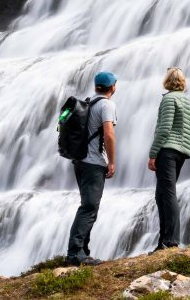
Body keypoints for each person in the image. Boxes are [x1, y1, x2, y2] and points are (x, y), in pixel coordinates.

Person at [66, 70, 118, 266]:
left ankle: (83, 251)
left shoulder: (88, 102)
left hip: (79, 162)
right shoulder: (106, 105)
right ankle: (75, 254)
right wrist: (111, 162)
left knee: (87, 206)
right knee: (89, 208)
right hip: (93, 164)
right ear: (112, 87)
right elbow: (109, 134)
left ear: (97, 86)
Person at [148, 67, 190, 252]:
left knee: (167, 195)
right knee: (161, 195)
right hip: (181, 151)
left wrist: (153, 154)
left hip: (167, 150)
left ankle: (171, 241)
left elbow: (164, 128)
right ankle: (163, 241)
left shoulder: (169, 99)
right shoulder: (187, 101)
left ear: (167, 81)